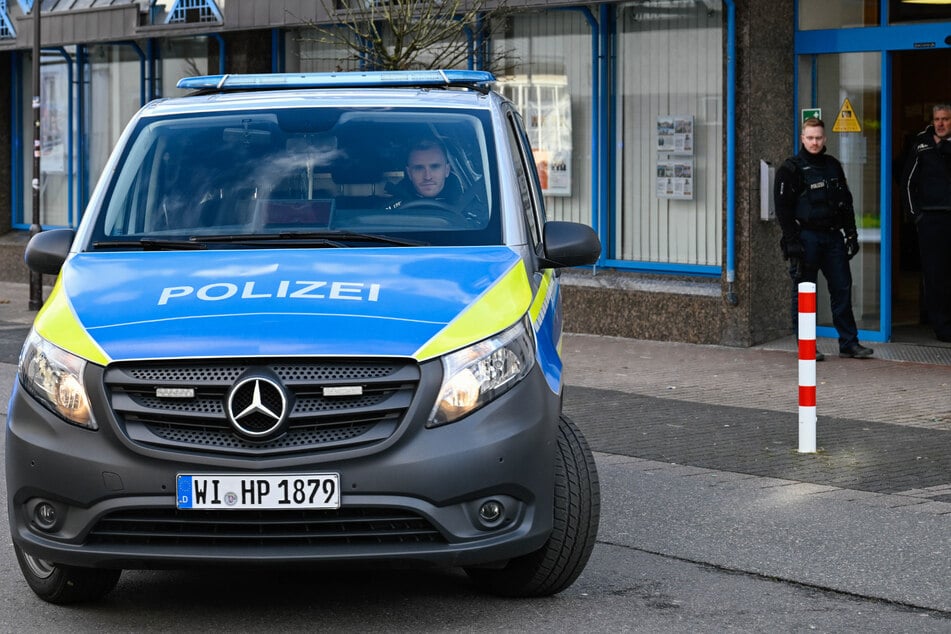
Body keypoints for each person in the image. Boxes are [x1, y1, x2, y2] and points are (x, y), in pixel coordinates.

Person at [774, 117, 873, 360]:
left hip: (832, 237)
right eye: (810, 138)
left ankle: (849, 343)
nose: (815, 142)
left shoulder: (833, 166)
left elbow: (845, 203)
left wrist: (851, 234)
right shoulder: (790, 169)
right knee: (804, 291)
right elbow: (783, 209)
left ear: (825, 138)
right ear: (802, 138)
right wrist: (792, 241)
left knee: (842, 289)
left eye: (818, 138)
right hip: (805, 237)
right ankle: (806, 345)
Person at [899, 104, 951, 343]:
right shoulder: (922, 144)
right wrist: (915, 216)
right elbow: (907, 182)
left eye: (946, 119)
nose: (941, 123)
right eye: (937, 119)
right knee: (934, 274)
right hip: (931, 219)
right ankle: (940, 326)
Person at [385, 137, 486, 220]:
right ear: (409, 173)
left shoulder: (473, 211)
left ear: (446, 170)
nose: (427, 176)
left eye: (435, 167)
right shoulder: (388, 210)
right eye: (419, 168)